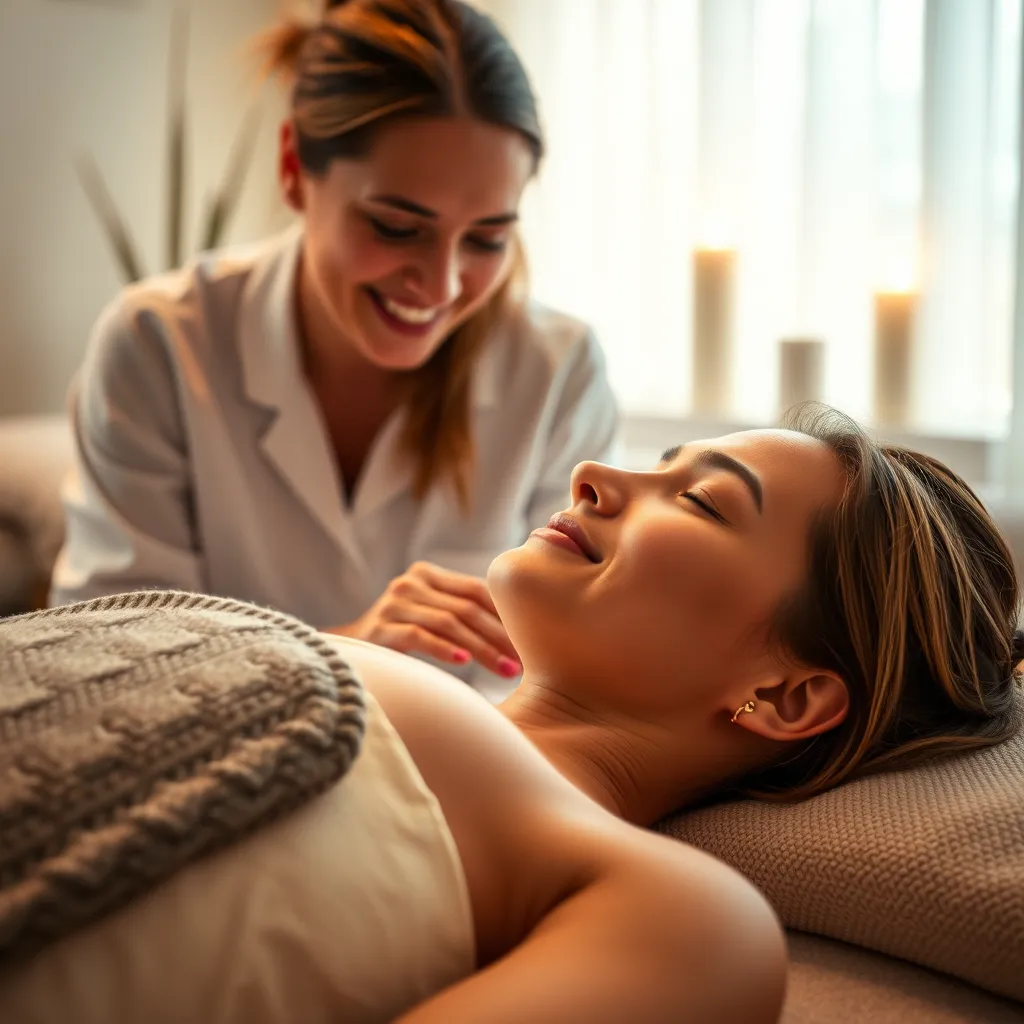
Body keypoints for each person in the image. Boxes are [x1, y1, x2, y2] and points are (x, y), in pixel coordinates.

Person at [6, 409, 1020, 1023]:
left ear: (785, 696)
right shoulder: (390, 674)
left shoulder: (687, 918)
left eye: (702, 501)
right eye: (659, 460)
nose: (595, 474)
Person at [49, 0, 619, 698]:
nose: (440, 284)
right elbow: (100, 668)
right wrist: (338, 653)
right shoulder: (158, 346)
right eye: (395, 226)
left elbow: (578, 679)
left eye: (486, 239)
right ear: (293, 168)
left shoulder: (559, 372)